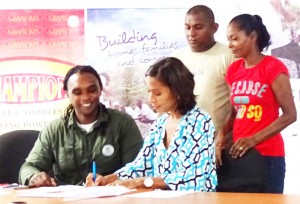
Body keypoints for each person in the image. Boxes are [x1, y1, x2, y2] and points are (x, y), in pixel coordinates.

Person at [85, 57, 217, 191]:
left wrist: (139, 182)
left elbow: (194, 178)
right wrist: (109, 179)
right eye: (149, 91)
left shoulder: (200, 122)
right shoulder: (160, 123)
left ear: (178, 91)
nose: (151, 99)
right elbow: (141, 165)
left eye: (157, 93)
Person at [19, 65, 143, 187]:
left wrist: (110, 180)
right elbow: (29, 167)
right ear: (67, 94)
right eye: (77, 92)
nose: (85, 97)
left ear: (100, 89)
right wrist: (33, 176)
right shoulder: (54, 130)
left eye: (92, 90)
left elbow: (140, 168)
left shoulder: (122, 123)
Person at [216, 14, 297, 193]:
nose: (230, 44)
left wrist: (254, 139)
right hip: (240, 156)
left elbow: (291, 115)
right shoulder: (233, 70)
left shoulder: (273, 67)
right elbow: (236, 110)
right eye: (228, 39)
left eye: (235, 39)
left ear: (252, 37)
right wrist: (222, 135)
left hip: (268, 156)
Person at [171, 5, 236, 132]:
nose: (191, 33)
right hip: (182, 140)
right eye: (187, 27)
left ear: (214, 28)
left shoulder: (230, 55)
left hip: (217, 141)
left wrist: (225, 135)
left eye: (198, 27)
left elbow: (237, 104)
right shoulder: (175, 58)